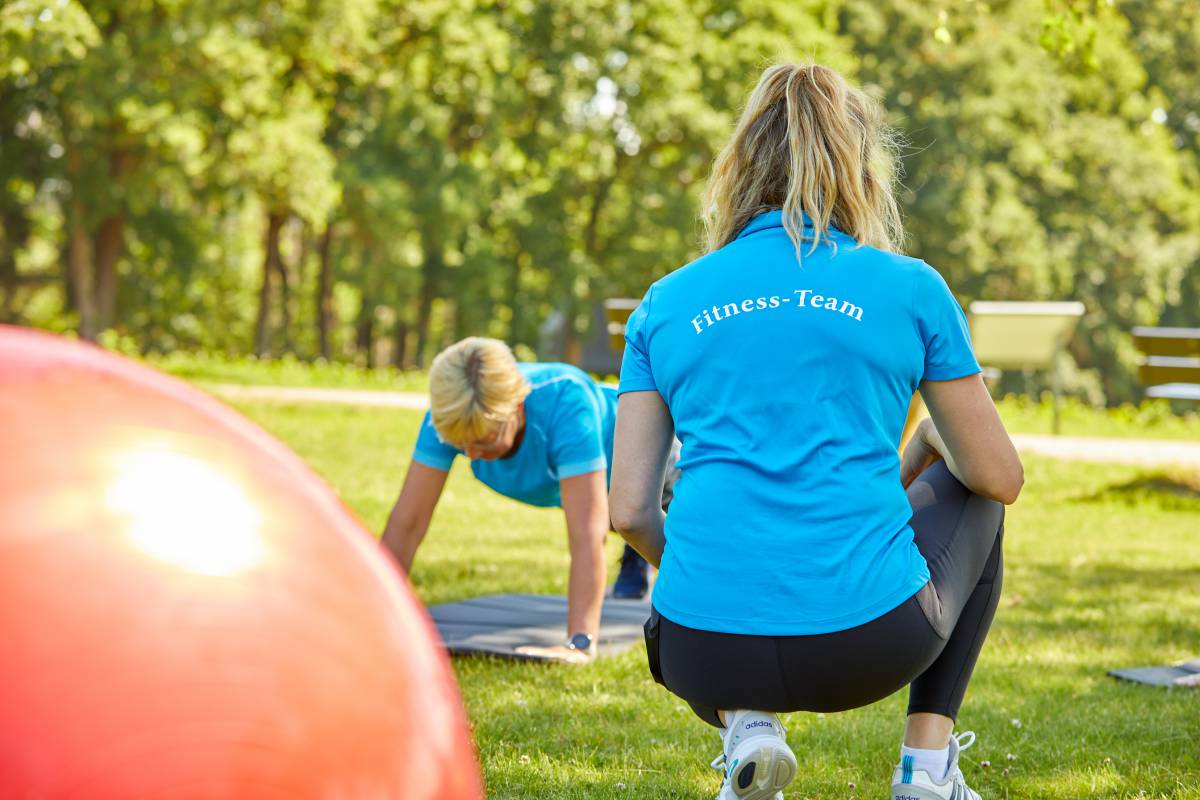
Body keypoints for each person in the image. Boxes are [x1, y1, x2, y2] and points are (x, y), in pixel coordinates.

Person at [608, 64, 1024, 800]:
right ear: (860, 167)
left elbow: (630, 512)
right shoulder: (911, 287)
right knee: (976, 488)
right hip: (869, 645)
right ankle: (925, 770)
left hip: (700, 652)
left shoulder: (666, 301)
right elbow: (1000, 476)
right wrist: (929, 441)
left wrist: (714, 583)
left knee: (709, 578)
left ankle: (747, 724)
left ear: (740, 164)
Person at [381, 337, 660, 664]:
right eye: (462, 444)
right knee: (622, 520)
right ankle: (636, 553)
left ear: (515, 407)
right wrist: (370, 617)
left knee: (672, 543)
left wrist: (579, 642)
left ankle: (640, 553)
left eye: (484, 441)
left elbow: (587, 533)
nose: (472, 454)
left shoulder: (566, 402)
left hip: (654, 460)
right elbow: (408, 523)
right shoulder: (451, 415)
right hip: (596, 491)